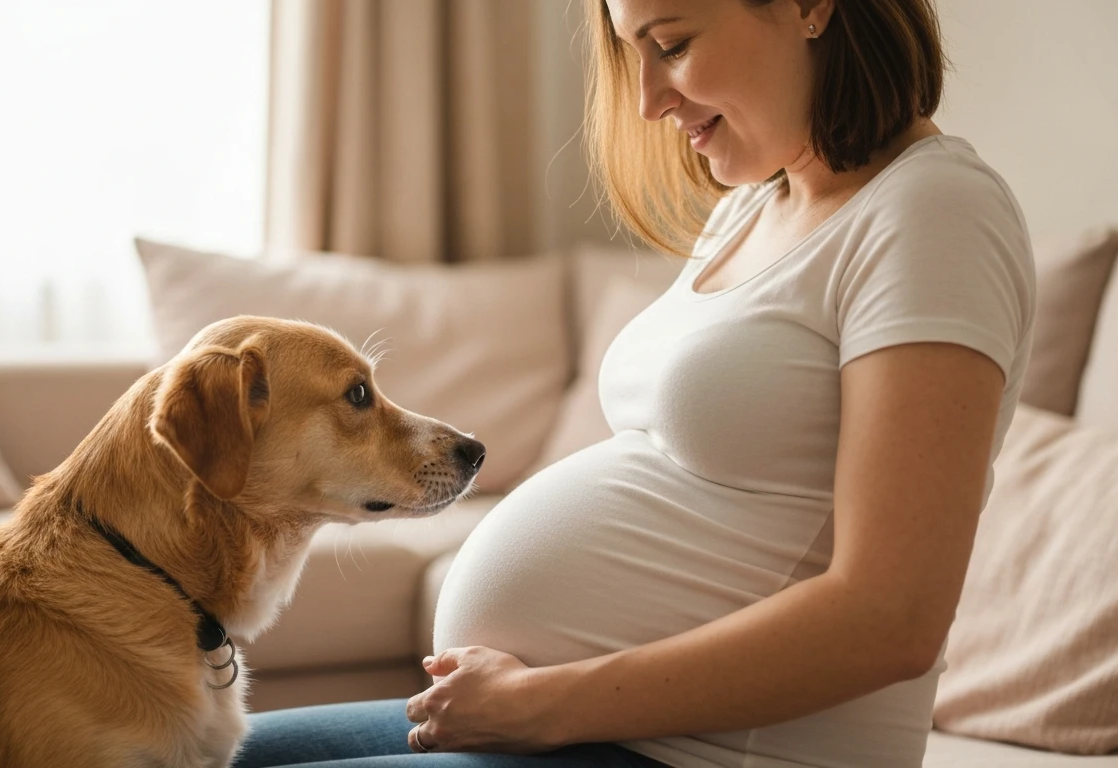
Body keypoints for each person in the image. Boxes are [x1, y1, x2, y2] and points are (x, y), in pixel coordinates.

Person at [234, 0, 1033, 766]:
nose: (648, 100)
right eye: (631, 52)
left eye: (674, 45)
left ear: (809, 5)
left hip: (700, 754)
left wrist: (541, 705)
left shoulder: (934, 213)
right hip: (595, 735)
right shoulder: (754, 207)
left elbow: (891, 617)